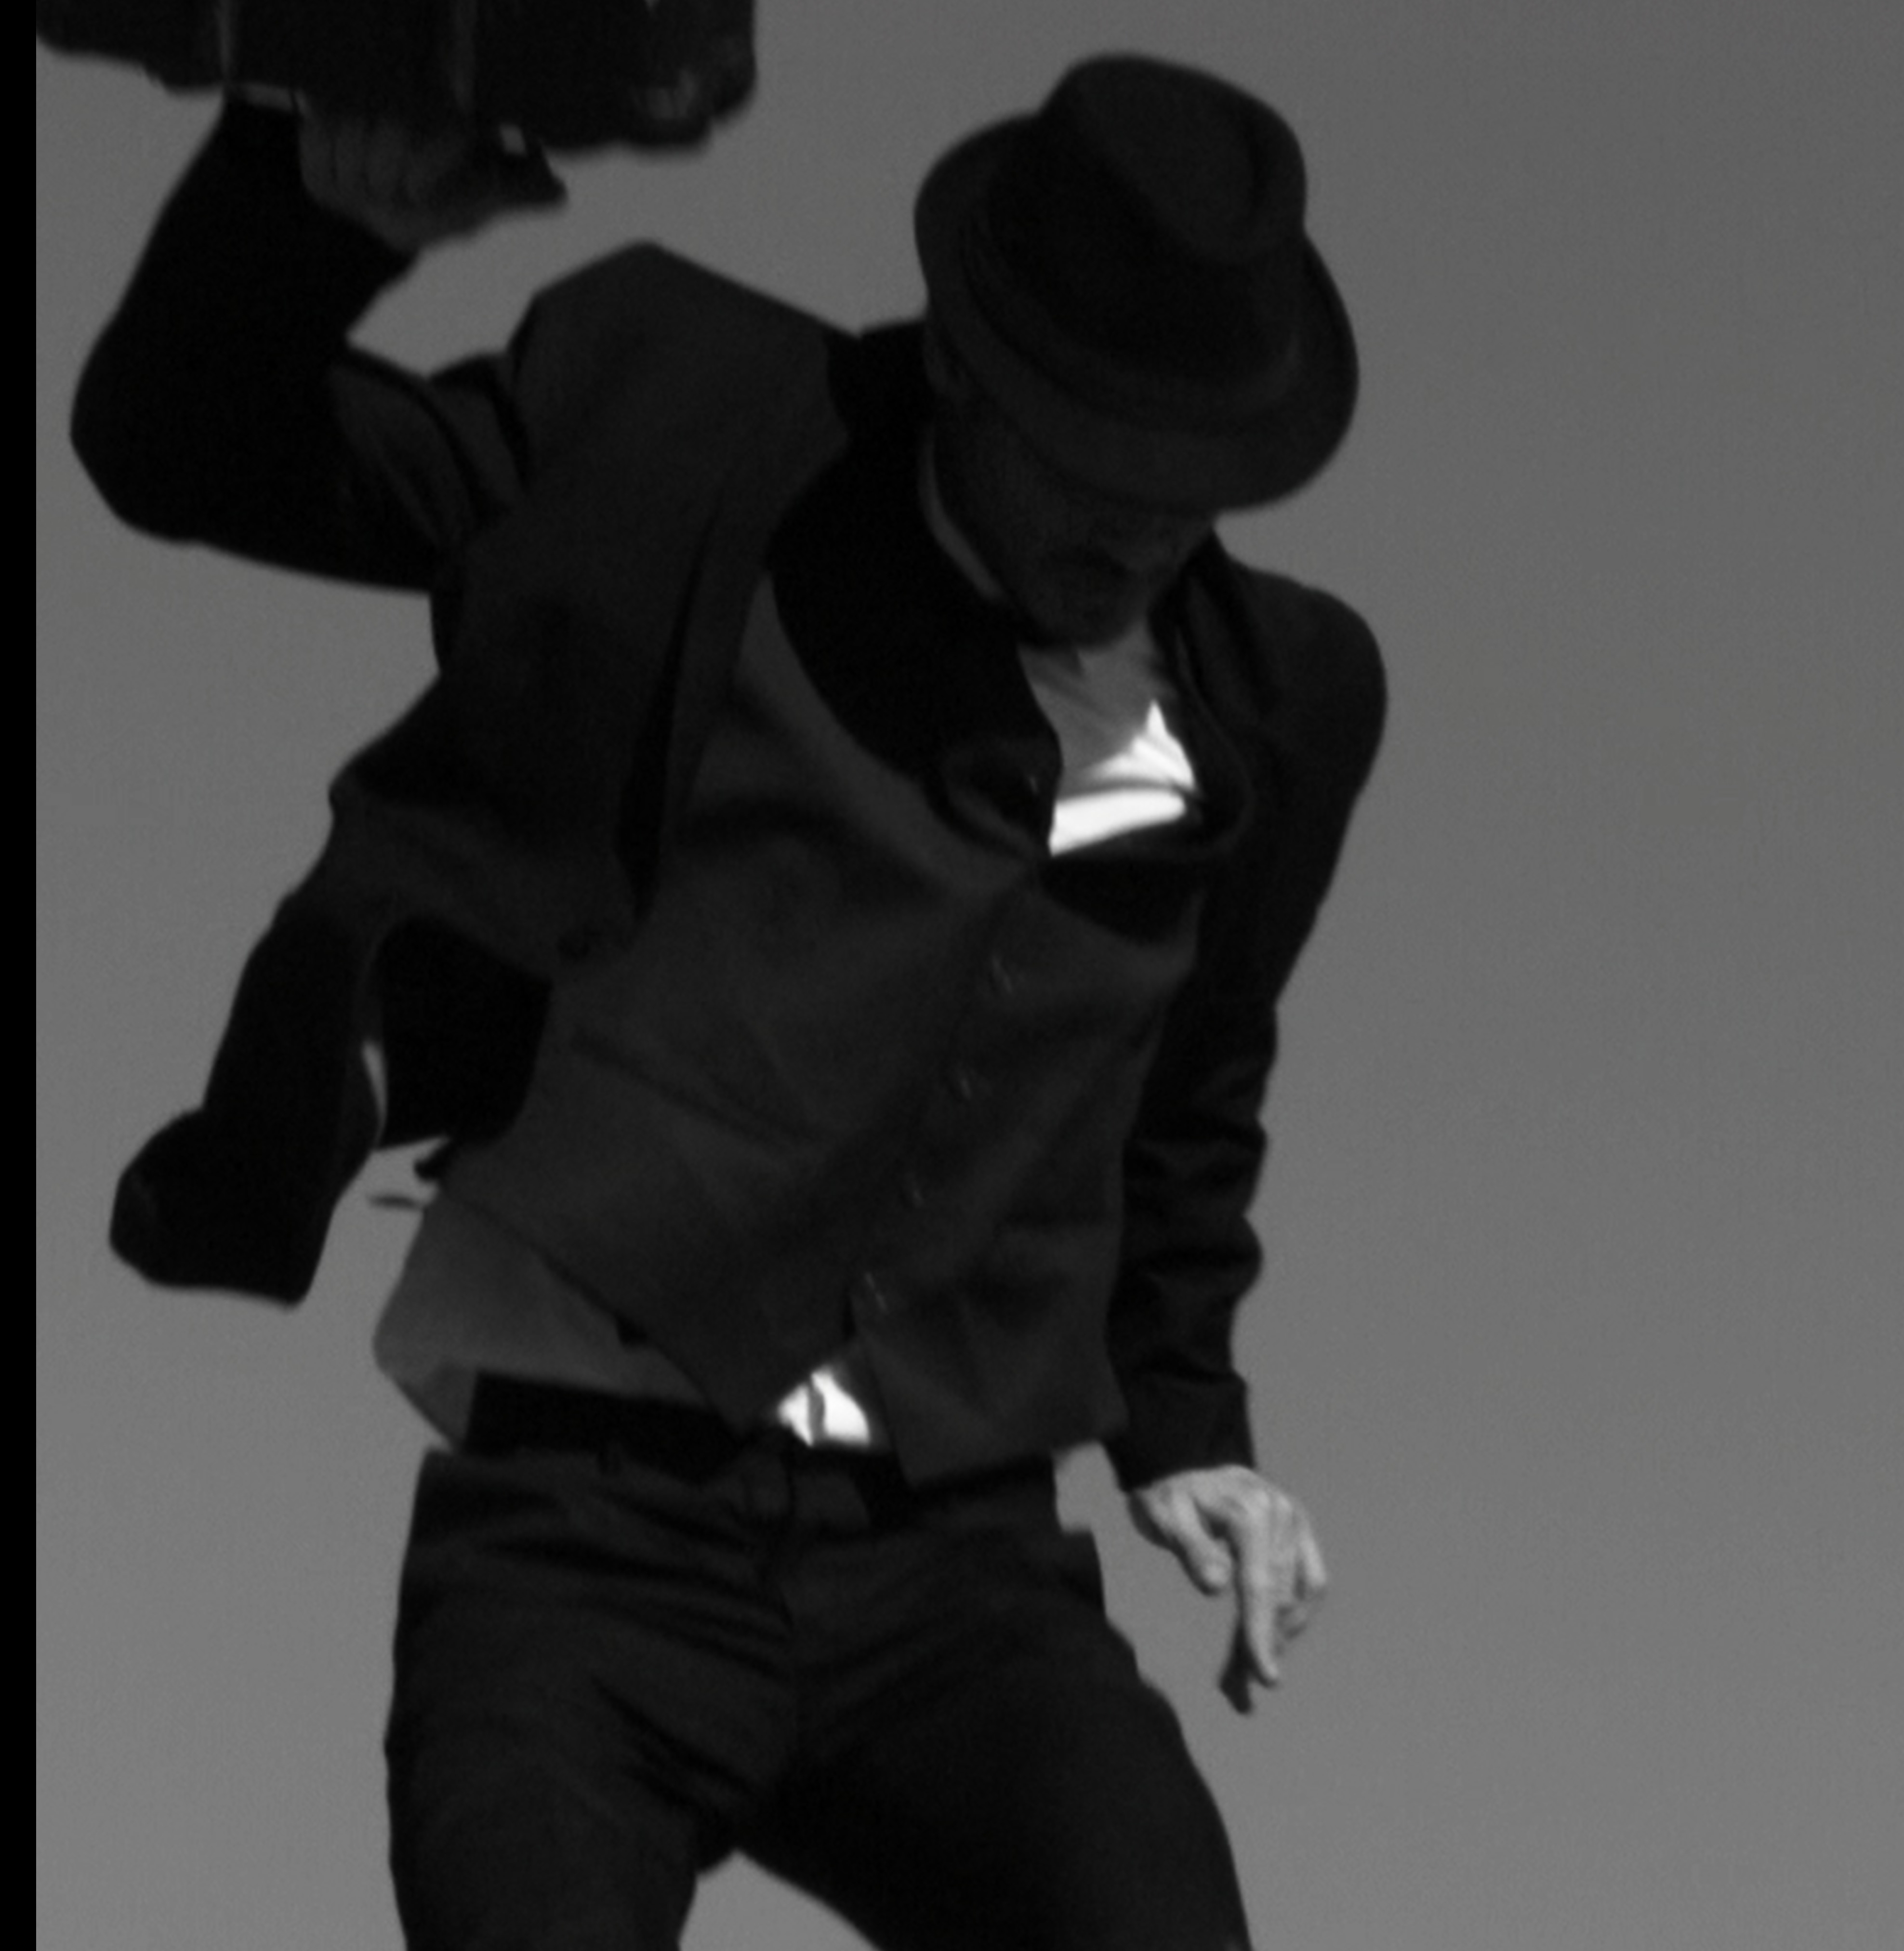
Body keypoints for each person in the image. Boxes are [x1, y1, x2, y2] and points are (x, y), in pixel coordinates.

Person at [71, 52, 1385, 1951]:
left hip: (960, 1579)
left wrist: (1188, 1421)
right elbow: (179, 440)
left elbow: (1188, 1087)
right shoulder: (671, 425)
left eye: (1183, 495)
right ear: (963, 369)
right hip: (580, 1543)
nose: (1129, 538)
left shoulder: (1278, 701)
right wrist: (313, 200)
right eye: (1085, 466)